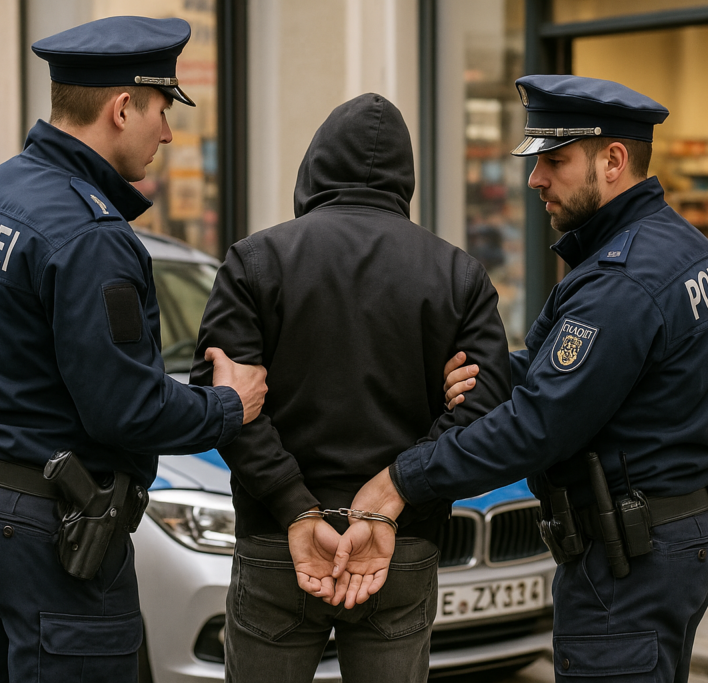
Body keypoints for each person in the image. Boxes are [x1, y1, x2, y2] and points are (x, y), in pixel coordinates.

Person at [345, 75, 708, 683]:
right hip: (674, 536)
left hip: (626, 561)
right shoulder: (680, 247)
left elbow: (538, 426)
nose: (535, 180)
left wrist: (401, 480)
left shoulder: (621, 281)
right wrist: (481, 376)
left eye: (554, 161)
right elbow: (568, 368)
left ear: (612, 161)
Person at [0, 16, 267, 682]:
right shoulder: (91, 237)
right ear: (122, 108)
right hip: (50, 528)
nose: (168, 133)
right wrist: (231, 404)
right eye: (163, 110)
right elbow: (127, 411)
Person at [188, 93, 511, 682]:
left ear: (314, 167)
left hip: (278, 544)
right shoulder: (457, 275)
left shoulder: (256, 260)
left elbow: (225, 403)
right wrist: (396, 495)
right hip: (399, 545)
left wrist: (293, 506)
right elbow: (484, 414)